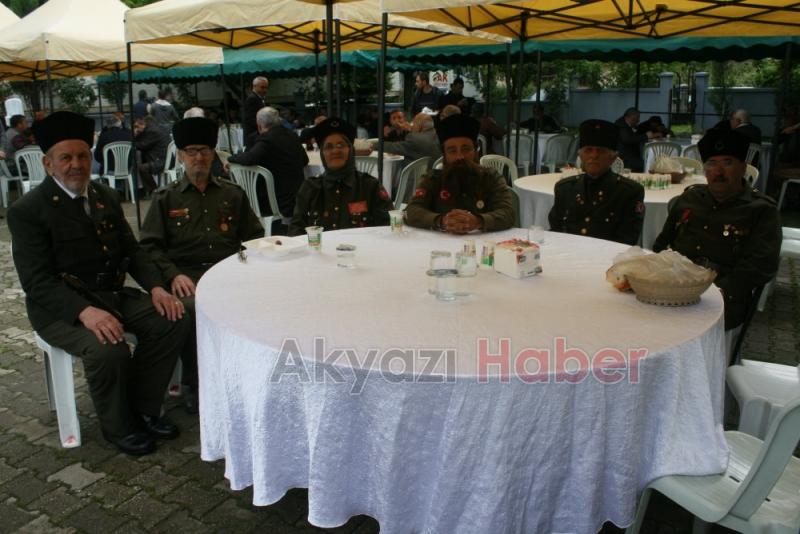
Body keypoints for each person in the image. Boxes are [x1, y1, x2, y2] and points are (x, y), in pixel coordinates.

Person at [7, 111, 189, 455]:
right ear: (48, 164)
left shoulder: (104, 195)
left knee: (172, 319)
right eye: (66, 158)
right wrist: (85, 312)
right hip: (60, 309)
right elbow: (37, 282)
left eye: (82, 155)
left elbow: (132, 250)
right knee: (108, 348)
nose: (76, 164)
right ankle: (118, 426)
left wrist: (156, 287)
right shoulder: (28, 210)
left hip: (111, 293)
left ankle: (144, 408)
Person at [140, 117, 264, 413]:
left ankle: (247, 377)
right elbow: (149, 247)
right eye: (192, 151)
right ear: (181, 155)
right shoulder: (165, 198)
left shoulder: (232, 194)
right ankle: (195, 385)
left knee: (258, 303)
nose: (199, 158)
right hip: (188, 276)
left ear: (214, 154)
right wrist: (173, 275)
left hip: (229, 272)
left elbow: (255, 236)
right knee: (194, 310)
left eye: (205, 150)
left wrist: (246, 266)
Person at [653, 128, 781, 337]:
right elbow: (661, 244)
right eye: (712, 163)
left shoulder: (760, 210)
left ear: (743, 167)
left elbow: (760, 267)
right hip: (674, 289)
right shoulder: (690, 199)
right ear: (705, 169)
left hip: (723, 300)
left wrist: (711, 293)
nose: (719, 172)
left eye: (728, 162)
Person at [406, 114, 514, 233]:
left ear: (475, 150)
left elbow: (508, 213)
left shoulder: (490, 177)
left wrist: (478, 221)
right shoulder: (433, 179)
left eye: (466, 149)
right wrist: (441, 221)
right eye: (452, 151)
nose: (460, 156)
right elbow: (412, 210)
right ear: (444, 155)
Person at [289, 118, 393, 236]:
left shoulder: (370, 186)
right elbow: (295, 232)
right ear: (322, 154)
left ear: (351, 150)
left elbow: (389, 228)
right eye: (328, 147)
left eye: (341, 145)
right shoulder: (310, 188)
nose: (335, 150)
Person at [548, 119, 645, 245]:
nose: (594, 155)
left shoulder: (629, 192)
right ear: (580, 156)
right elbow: (556, 231)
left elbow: (627, 240)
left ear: (613, 158)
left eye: (601, 151)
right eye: (588, 150)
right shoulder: (564, 188)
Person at [227, 106, 309, 231]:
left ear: (259, 125)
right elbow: (305, 160)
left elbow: (249, 158)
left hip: (276, 201)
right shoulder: (292, 135)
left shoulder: (267, 139)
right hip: (298, 194)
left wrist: (230, 159)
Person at [614, 107, 660, 172]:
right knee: (648, 164)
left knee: (648, 162)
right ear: (629, 117)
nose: (638, 120)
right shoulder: (621, 126)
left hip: (629, 156)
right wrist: (646, 136)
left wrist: (645, 136)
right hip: (625, 158)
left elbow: (634, 136)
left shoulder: (625, 124)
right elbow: (627, 139)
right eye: (636, 118)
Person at [133, 116, 170, 192]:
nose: (136, 129)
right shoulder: (158, 128)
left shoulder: (151, 131)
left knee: (142, 168)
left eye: (136, 127)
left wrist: (134, 136)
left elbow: (141, 146)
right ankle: (151, 190)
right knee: (142, 164)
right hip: (167, 158)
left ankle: (154, 190)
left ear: (141, 124)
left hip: (161, 161)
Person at [242, 76, 269, 150]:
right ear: (254, 86)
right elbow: (250, 119)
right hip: (254, 135)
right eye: (262, 87)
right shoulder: (252, 99)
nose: (265, 90)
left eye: (266, 88)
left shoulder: (258, 98)